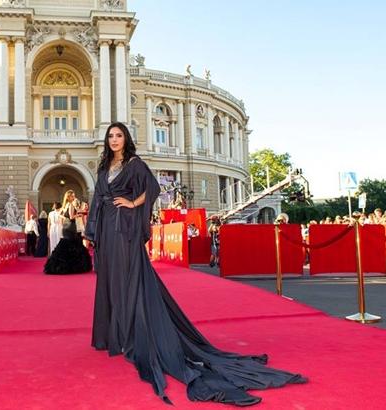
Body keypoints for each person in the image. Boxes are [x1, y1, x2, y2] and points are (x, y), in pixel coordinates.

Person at [84, 122, 306, 406]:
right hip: (106, 228)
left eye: (118, 135)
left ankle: (133, 334)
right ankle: (116, 334)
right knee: (110, 280)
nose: (114, 140)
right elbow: (96, 198)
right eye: (111, 136)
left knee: (128, 279)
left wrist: (132, 204)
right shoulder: (104, 166)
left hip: (123, 228)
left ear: (126, 139)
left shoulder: (134, 163)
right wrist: (91, 231)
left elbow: (152, 188)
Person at [44, 191, 92, 274]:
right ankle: (74, 266)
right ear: (68, 197)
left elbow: (60, 215)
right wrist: (79, 215)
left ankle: (59, 265)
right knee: (73, 244)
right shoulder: (70, 205)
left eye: (74, 195)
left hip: (65, 226)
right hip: (71, 226)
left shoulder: (64, 206)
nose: (74, 197)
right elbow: (71, 216)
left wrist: (66, 218)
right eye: (72, 196)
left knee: (66, 244)